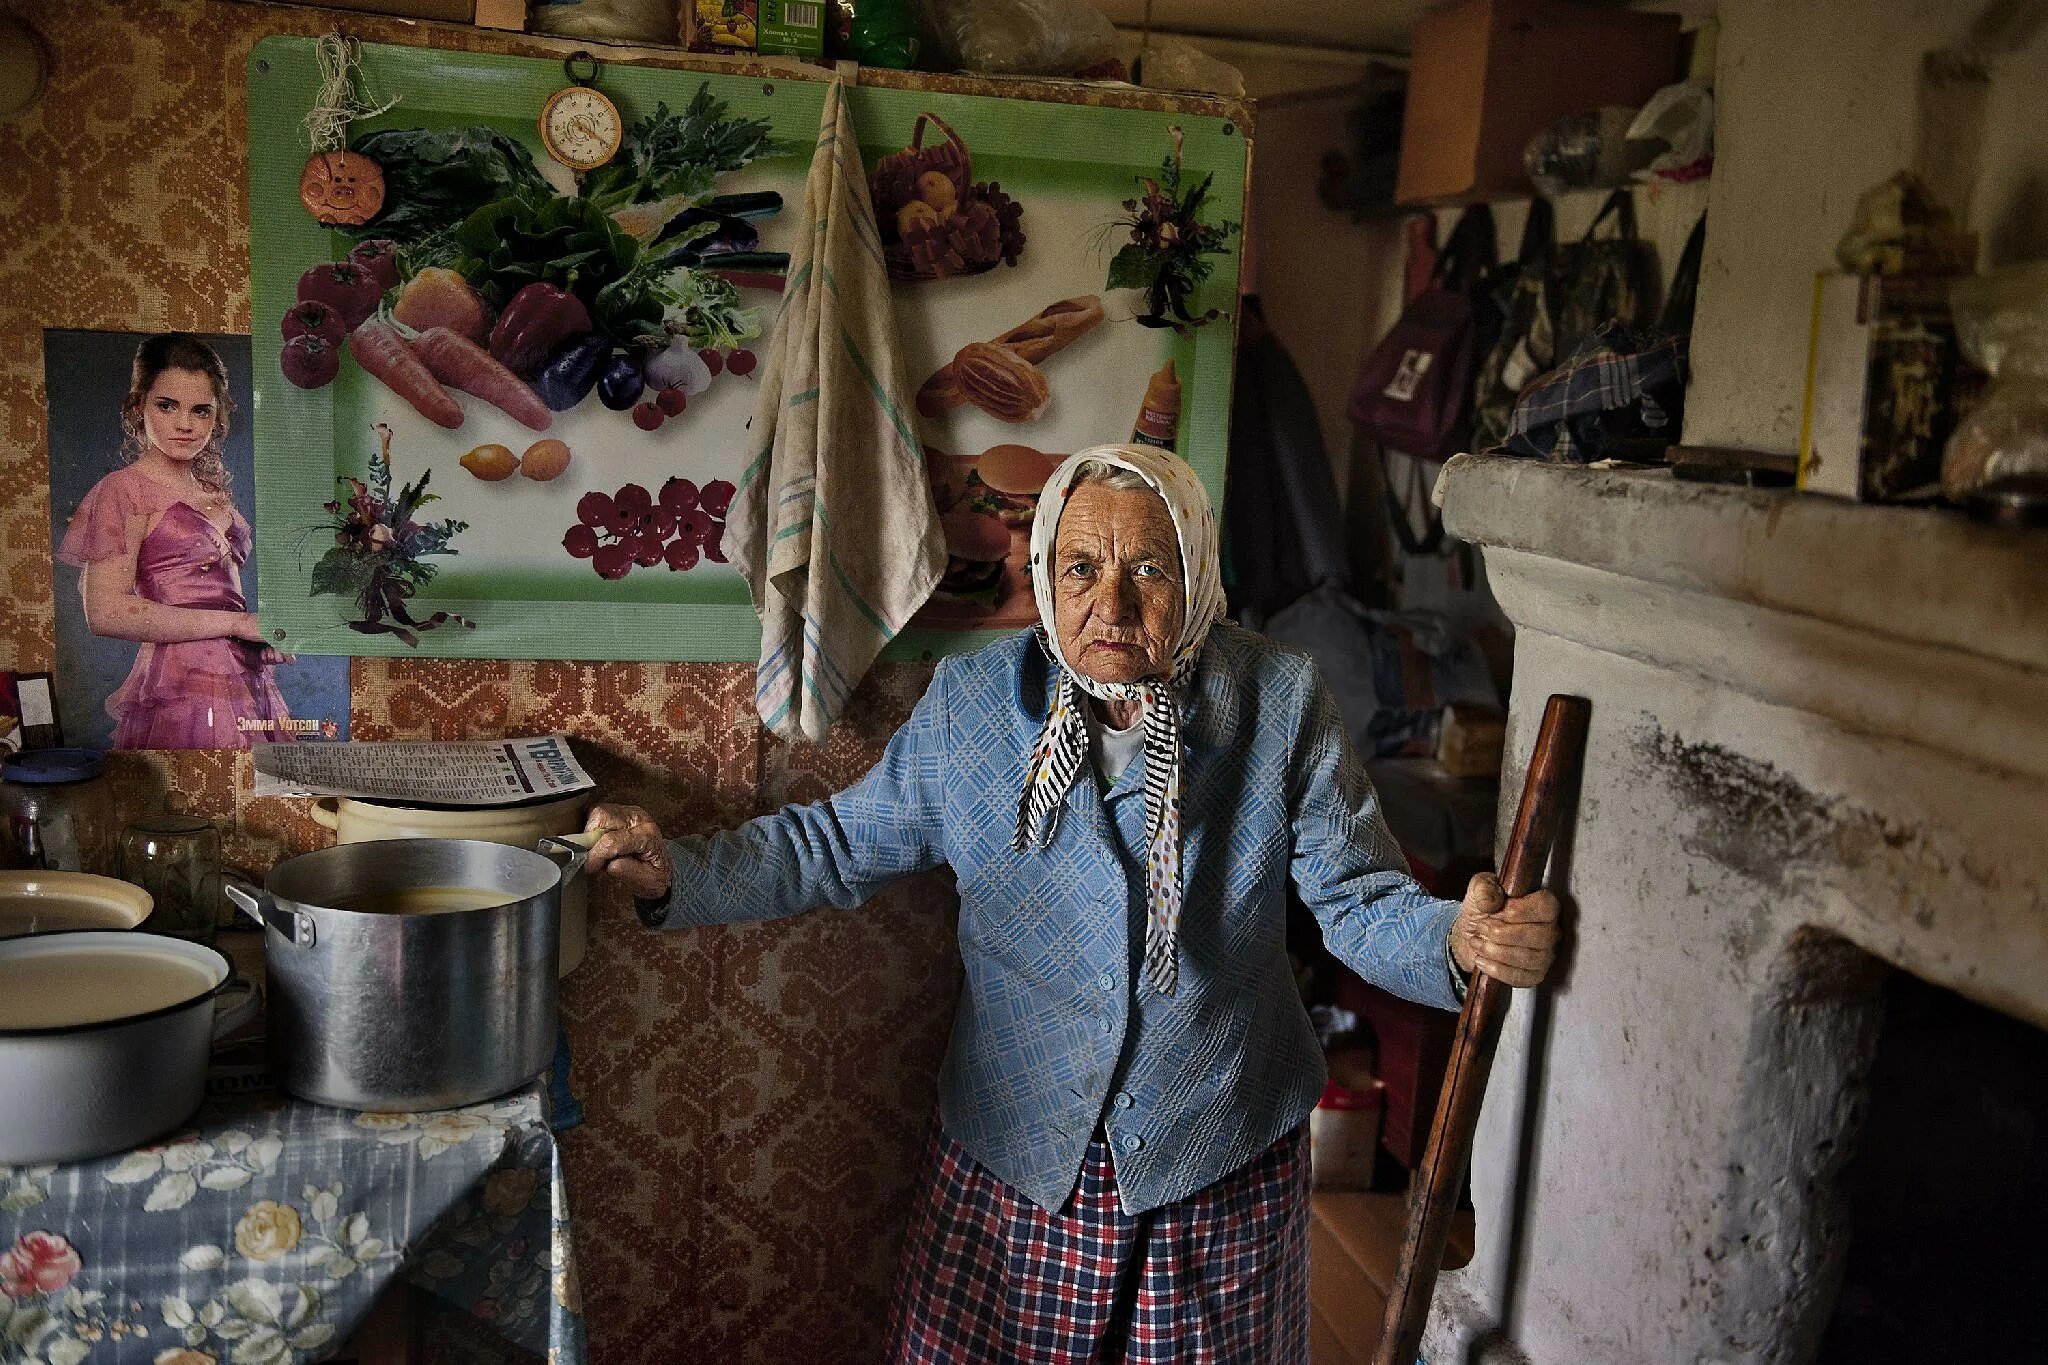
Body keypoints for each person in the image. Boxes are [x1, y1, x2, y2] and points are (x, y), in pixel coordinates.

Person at [585, 443, 1560, 1361]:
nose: (1111, 601)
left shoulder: (1274, 700)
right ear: (1045, 577)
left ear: (1196, 576)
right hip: (1018, 1150)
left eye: (1148, 568)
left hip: (1210, 1150)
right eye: (1080, 567)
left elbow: (1355, 902)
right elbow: (833, 843)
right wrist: (681, 873)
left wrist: (1456, 940)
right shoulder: (973, 707)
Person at [57, 334, 294, 749]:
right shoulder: (122, 491)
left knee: (261, 792)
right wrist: (238, 623)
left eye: (200, 411)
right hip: (183, 682)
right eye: (167, 406)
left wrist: (259, 637)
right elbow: (106, 612)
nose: (185, 424)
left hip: (243, 675)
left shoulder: (212, 492)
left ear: (216, 419)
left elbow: (220, 598)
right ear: (138, 407)